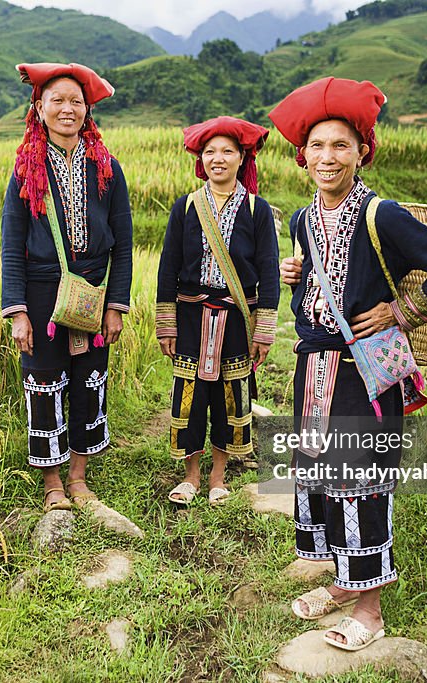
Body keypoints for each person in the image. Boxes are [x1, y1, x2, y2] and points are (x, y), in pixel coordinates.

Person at [268, 77, 427, 650]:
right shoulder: (301, 221)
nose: (327, 157)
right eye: (317, 146)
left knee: (362, 481)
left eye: (341, 145)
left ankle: (370, 610)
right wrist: (298, 279)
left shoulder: (380, 215)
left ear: (363, 152)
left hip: (366, 374)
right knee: (321, 474)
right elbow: (319, 292)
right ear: (301, 155)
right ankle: (341, 583)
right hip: (314, 370)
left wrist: (401, 311)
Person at [1, 63, 133, 512]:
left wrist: (115, 304)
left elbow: (125, 243)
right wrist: (17, 311)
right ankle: (52, 480)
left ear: (87, 112)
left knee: (89, 379)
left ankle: (78, 474)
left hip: (93, 293)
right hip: (41, 294)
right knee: (44, 379)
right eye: (57, 100)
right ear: (38, 108)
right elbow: (11, 244)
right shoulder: (26, 171)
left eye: (76, 101)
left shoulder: (107, 170)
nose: (67, 109)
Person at [156, 116, 280, 505]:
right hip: (191, 316)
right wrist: (166, 324)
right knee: (191, 397)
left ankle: (218, 475)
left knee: (229, 396)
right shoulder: (186, 207)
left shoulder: (258, 211)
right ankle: (190, 476)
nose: (218, 158)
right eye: (210, 152)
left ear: (242, 157)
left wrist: (264, 330)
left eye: (227, 151)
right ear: (201, 159)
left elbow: (269, 272)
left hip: (237, 319)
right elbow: (168, 267)